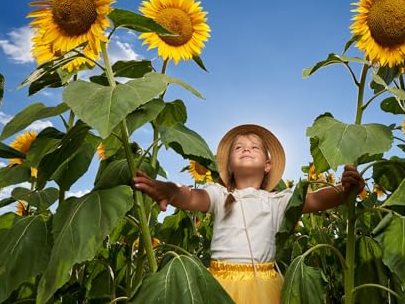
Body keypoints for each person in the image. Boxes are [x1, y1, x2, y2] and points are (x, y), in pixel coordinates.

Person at [132, 124, 364, 304]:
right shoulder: (220, 195)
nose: (246, 149)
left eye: (254, 147)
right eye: (238, 147)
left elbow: (313, 199)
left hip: (265, 283)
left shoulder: (277, 200)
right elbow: (192, 197)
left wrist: (344, 190)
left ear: (267, 165)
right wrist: (170, 190)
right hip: (220, 282)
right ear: (230, 166)